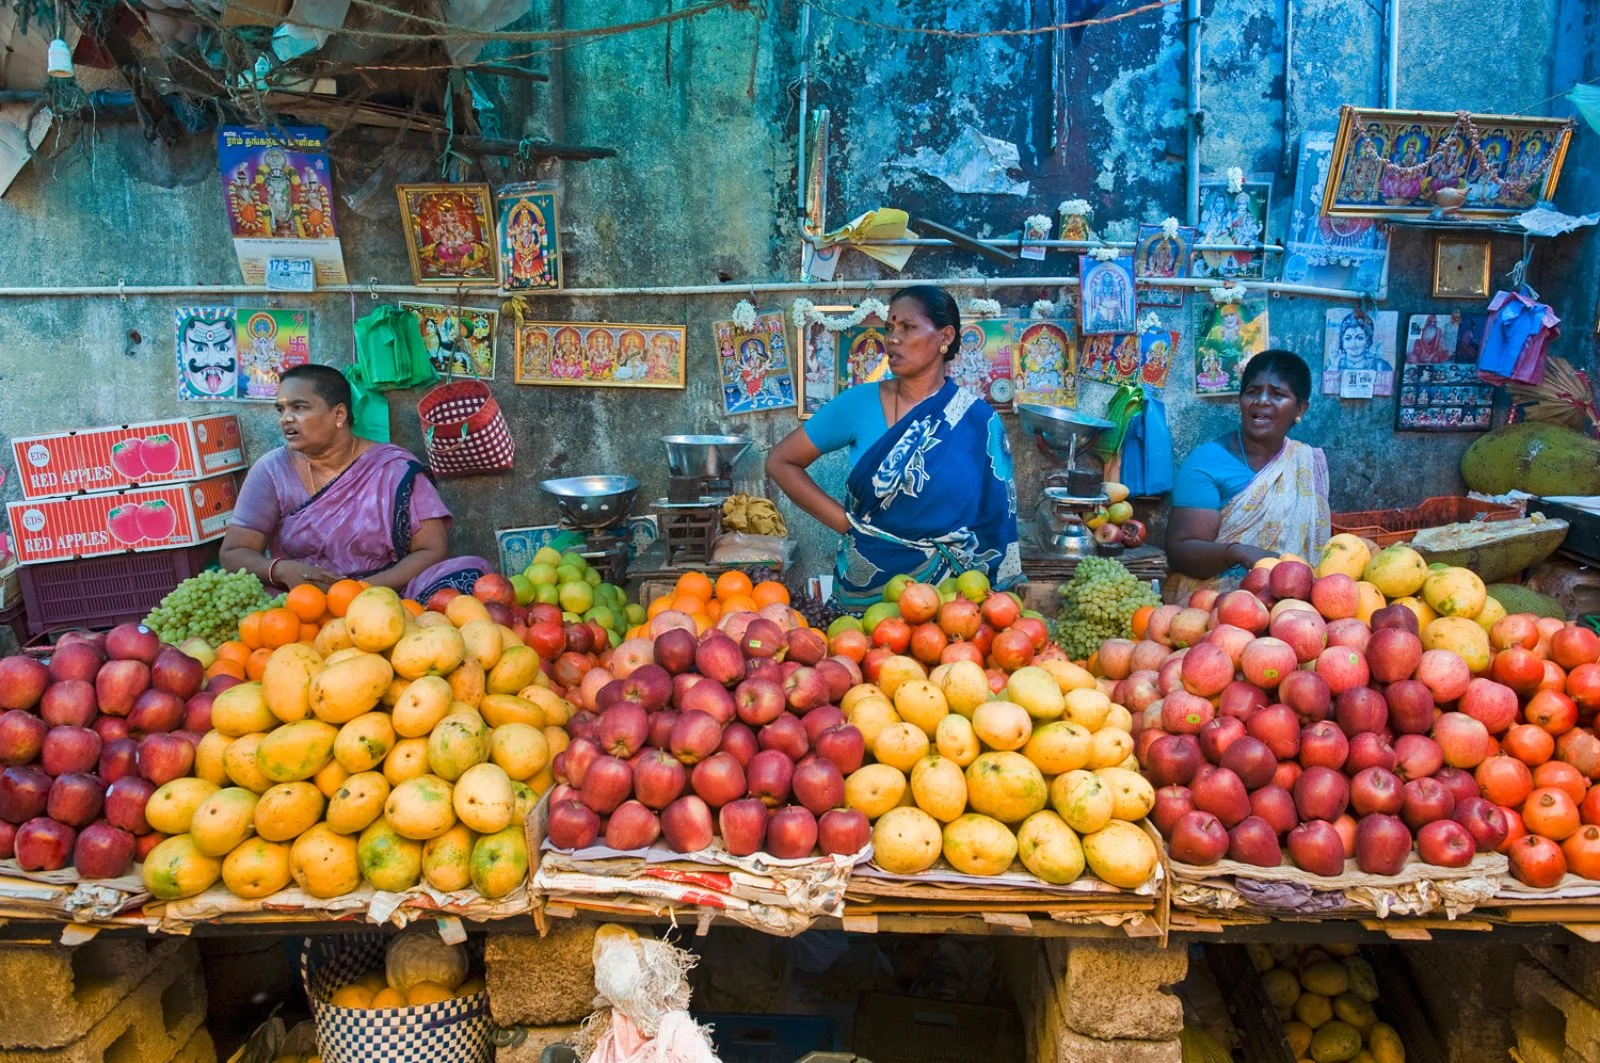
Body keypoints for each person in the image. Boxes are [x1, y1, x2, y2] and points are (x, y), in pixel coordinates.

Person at [766, 285, 1021, 609]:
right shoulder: (858, 403)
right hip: (864, 600)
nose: (893, 339)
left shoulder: (977, 420)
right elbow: (781, 462)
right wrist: (846, 524)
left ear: (945, 337)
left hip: (952, 608)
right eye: (889, 328)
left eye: (908, 327)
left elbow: (996, 518)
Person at [220, 364, 492, 601]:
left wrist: (360, 591)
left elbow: (432, 548)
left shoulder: (393, 468)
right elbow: (234, 552)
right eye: (281, 409)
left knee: (469, 573)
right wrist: (281, 570)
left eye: (299, 407)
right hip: (299, 599)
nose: (286, 419)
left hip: (385, 593)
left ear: (338, 415)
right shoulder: (272, 470)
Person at [1164, 350, 1330, 601]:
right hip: (1214, 607)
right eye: (1252, 391)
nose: (1262, 400)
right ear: (1240, 400)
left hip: (1295, 607)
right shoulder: (1208, 462)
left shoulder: (1305, 462)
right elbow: (1180, 551)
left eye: (1278, 394)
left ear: (1300, 408)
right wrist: (1238, 553)